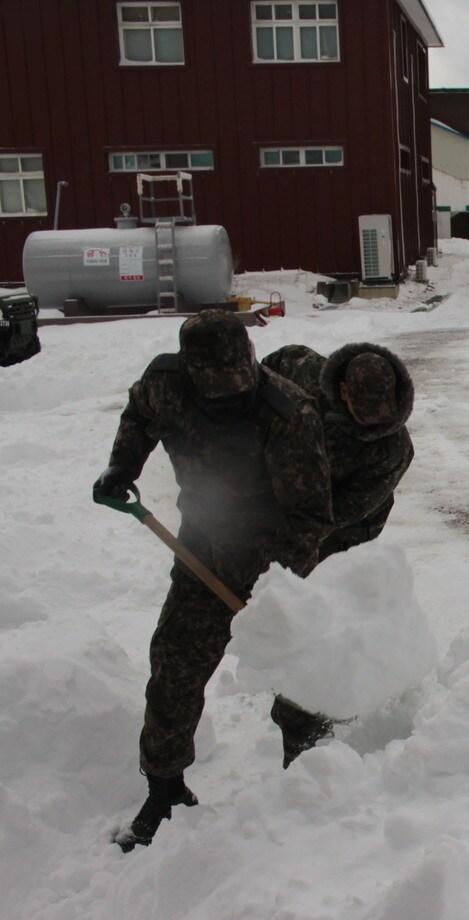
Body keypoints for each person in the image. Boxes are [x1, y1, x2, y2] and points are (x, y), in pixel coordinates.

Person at [93, 311, 333, 850]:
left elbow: (311, 516)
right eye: (215, 390)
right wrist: (122, 466)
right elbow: (138, 416)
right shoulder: (166, 384)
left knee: (297, 670)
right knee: (175, 664)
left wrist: (273, 590)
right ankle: (165, 788)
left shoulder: (287, 412)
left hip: (275, 558)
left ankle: (315, 775)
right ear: (191, 372)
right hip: (201, 546)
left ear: (250, 361)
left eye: (236, 387)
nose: (228, 398)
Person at [260, 342, 416, 766]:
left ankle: (306, 727)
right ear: (343, 390)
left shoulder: (394, 448)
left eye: (381, 414)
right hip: (292, 507)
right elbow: (266, 371)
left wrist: (287, 525)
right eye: (362, 412)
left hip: (343, 532)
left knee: (322, 619)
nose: (372, 424)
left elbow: (338, 513)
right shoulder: (306, 371)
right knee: (285, 613)